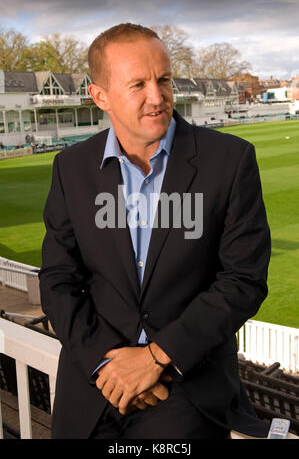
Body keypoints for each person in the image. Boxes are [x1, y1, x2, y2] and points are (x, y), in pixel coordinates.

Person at [39, 23, 271, 439]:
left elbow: (243, 281)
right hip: (94, 383)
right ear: (100, 96)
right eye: (138, 84)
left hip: (185, 387)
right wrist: (108, 365)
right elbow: (59, 278)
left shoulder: (230, 160)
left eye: (163, 79)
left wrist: (155, 359)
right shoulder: (70, 168)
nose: (157, 97)